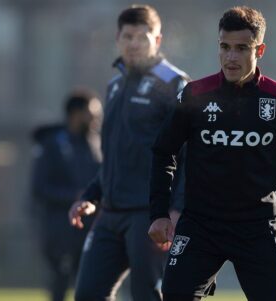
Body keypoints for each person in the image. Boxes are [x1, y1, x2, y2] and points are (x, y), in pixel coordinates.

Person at [148, 6, 276, 301]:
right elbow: (164, 152)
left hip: (257, 228)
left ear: (260, 50)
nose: (231, 57)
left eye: (241, 48)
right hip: (201, 225)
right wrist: (159, 213)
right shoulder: (195, 95)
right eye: (224, 47)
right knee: (174, 295)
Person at [68, 5, 189, 301]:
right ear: (118, 38)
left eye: (142, 37)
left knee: (146, 296)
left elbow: (189, 154)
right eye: (128, 36)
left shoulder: (174, 83)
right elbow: (114, 155)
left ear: (157, 40)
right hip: (110, 213)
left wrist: (175, 209)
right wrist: (90, 196)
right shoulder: (114, 85)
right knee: (87, 293)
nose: (134, 43)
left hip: (149, 215)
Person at [30, 90, 102, 301]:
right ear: (75, 114)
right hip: (59, 228)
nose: (96, 118)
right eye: (92, 113)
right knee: (59, 284)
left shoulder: (97, 143)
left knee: (90, 285)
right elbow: (39, 188)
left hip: (91, 228)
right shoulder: (52, 144)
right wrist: (74, 196)